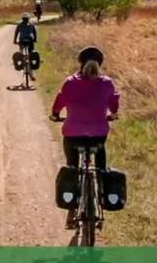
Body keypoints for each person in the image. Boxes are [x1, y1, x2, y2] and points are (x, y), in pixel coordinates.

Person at [50, 46, 119, 227]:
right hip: (98, 135)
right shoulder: (107, 83)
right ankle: (102, 201)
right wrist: (112, 114)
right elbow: (114, 102)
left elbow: (59, 101)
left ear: (80, 63)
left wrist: (55, 115)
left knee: (72, 167)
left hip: (73, 134)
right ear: (100, 63)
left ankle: (71, 211)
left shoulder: (70, 83)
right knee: (101, 167)